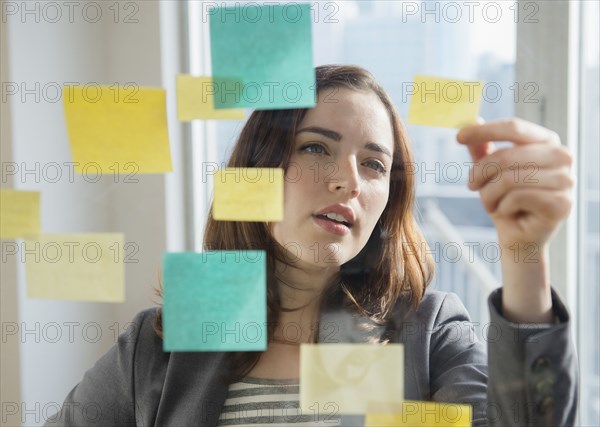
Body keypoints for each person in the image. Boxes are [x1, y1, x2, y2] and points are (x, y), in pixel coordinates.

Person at [46, 65, 577, 427]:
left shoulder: (429, 332)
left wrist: (524, 254)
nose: (347, 180)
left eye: (373, 163)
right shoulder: (160, 342)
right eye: (316, 147)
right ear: (258, 170)